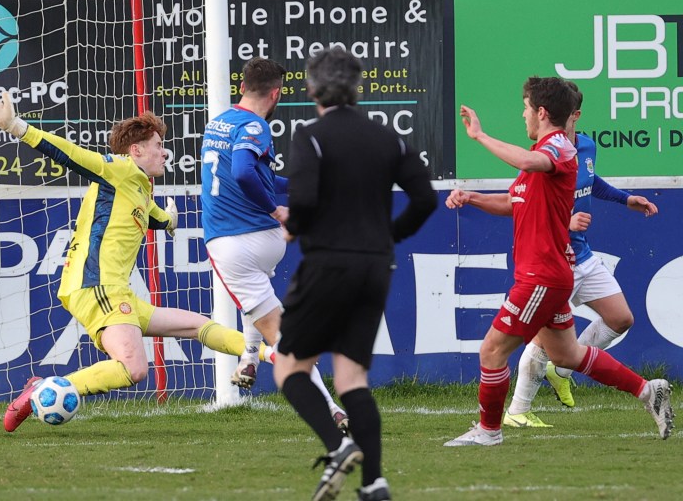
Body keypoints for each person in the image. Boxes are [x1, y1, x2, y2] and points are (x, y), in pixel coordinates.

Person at [0, 90, 259, 433]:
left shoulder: (138, 187)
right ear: (136, 151)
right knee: (133, 368)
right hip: (97, 286)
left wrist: (169, 220)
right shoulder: (118, 169)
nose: (164, 151)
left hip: (115, 292)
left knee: (196, 325)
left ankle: (263, 353)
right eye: (156, 145)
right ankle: (42, 392)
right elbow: (71, 155)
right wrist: (16, 126)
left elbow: (153, 217)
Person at [443, 76, 673, 447]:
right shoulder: (544, 154)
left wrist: (480, 137)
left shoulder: (559, 150)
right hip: (550, 273)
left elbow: (530, 161)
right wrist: (471, 197)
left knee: (492, 350)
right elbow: (513, 203)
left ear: (542, 112)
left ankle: (489, 431)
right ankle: (649, 392)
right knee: (567, 353)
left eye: (525, 108)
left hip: (540, 276)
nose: (523, 115)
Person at [274, 49, 437, 501]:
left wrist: (294, 226)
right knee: (351, 379)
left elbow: (303, 202)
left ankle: (339, 445)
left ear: (310, 89)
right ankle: (375, 483)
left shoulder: (311, 136)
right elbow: (424, 199)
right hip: (374, 268)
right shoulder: (388, 137)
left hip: (328, 265)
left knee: (289, 365)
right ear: (356, 87)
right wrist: (388, 235)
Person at [201, 57, 348, 431]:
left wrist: (276, 207)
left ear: (242, 88)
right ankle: (249, 357)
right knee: (259, 305)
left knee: (281, 337)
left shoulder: (220, 123)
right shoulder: (257, 126)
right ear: (276, 93)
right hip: (263, 243)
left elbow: (242, 172)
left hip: (234, 243)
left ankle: (331, 409)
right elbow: (253, 175)